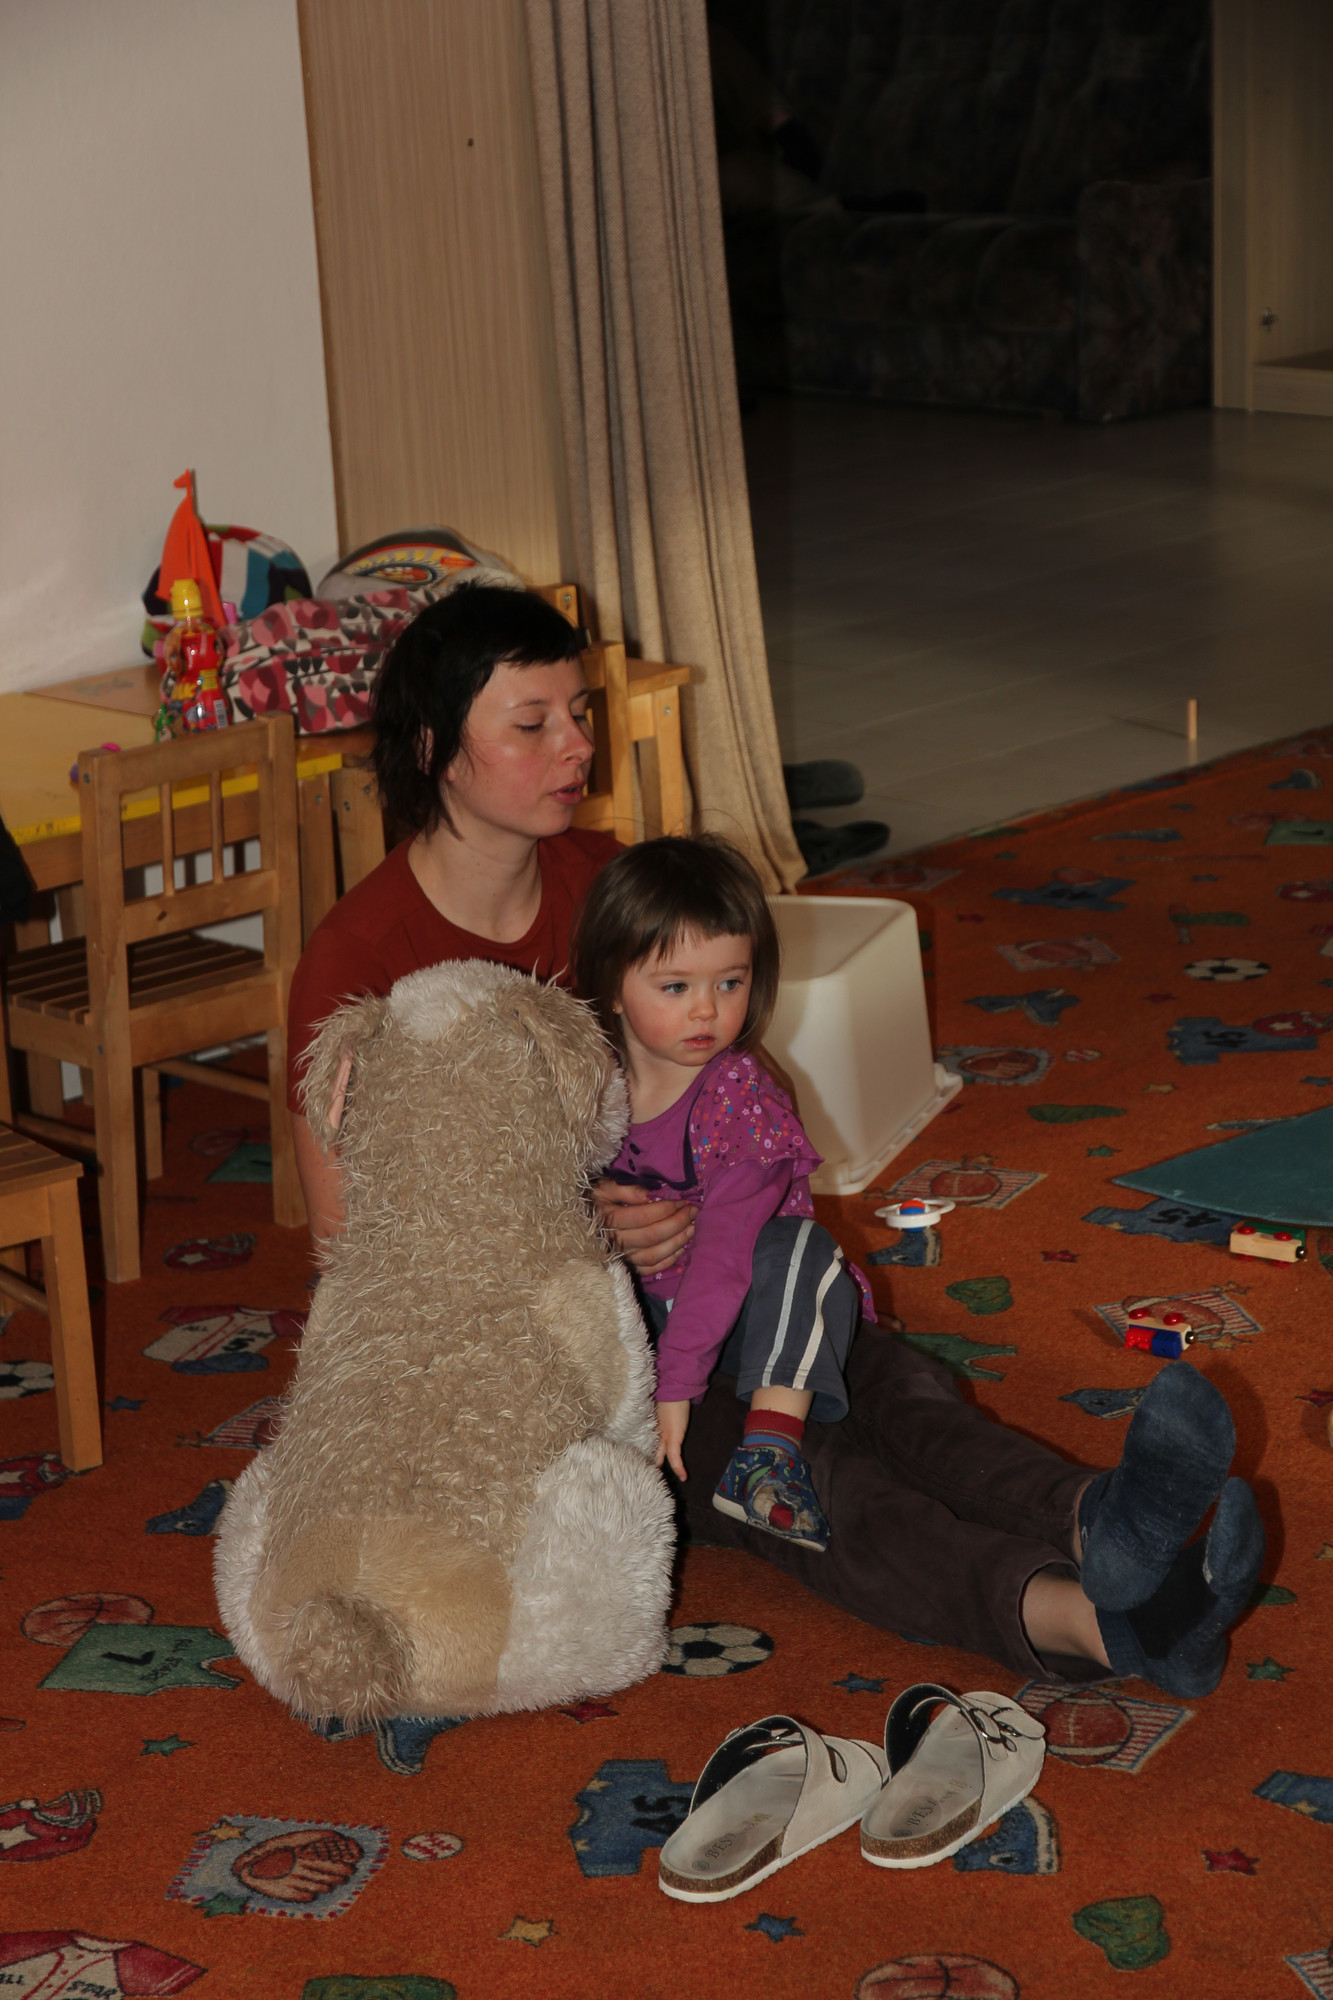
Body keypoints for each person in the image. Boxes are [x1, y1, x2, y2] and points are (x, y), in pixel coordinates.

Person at [286, 586, 1265, 1701]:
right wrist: (578, 1233)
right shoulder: (361, 960)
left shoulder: (607, 883)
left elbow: (718, 1090)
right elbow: (352, 1251)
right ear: (433, 750)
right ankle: (1084, 1619)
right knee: (794, 1468)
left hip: (707, 1277)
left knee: (882, 1380)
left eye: (580, 711)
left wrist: (714, 1198)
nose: (577, 745)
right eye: (533, 722)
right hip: (549, 1365)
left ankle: (1104, 1523)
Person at [574, 835, 871, 1554]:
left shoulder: (741, 1098)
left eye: (730, 983)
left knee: (798, 1245)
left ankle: (768, 1453)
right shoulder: (584, 1080)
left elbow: (726, 1257)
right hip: (641, 1318)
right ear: (612, 986)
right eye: (675, 987)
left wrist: (676, 1384)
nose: (706, 1010)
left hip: (753, 1320)